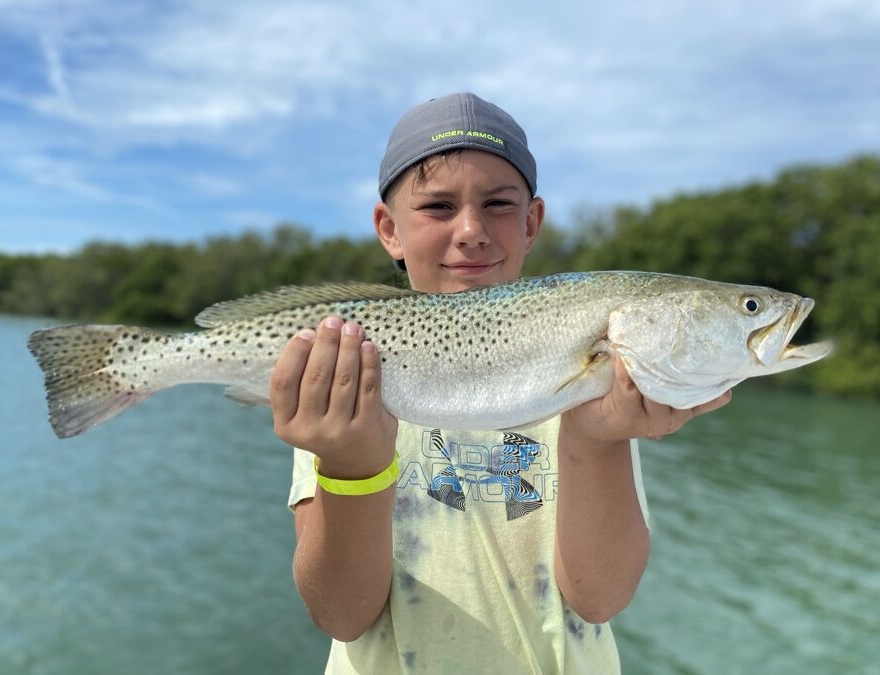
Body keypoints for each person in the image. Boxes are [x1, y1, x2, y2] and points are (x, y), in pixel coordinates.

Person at [271, 93, 730, 674]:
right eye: (438, 207)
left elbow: (600, 597)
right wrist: (350, 464)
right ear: (389, 229)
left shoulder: (599, 383)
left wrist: (599, 438)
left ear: (532, 221)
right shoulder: (341, 376)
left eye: (498, 204)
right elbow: (341, 614)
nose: (471, 230)